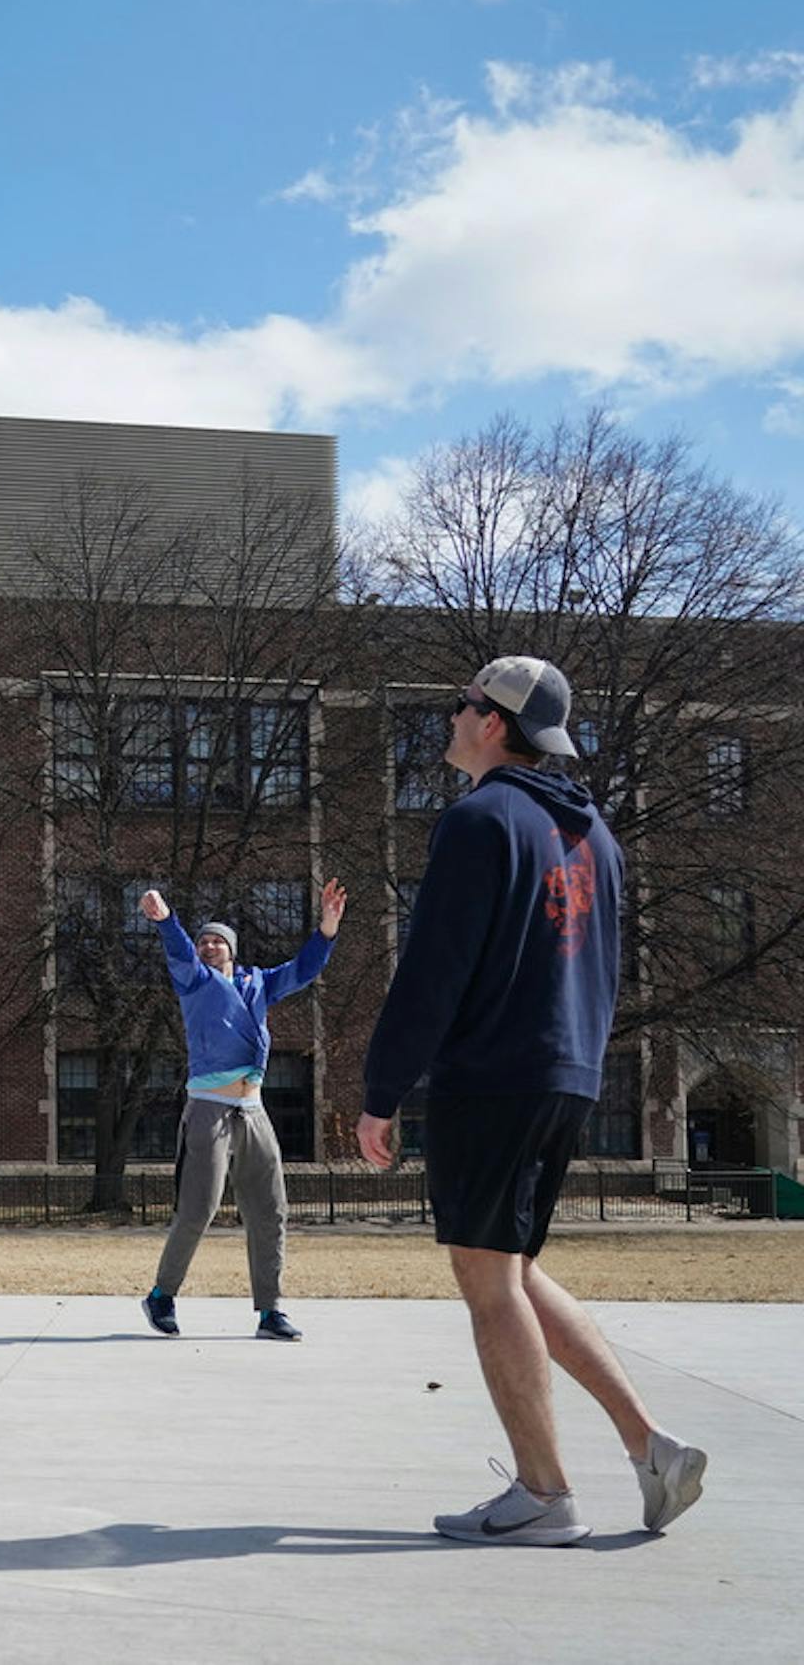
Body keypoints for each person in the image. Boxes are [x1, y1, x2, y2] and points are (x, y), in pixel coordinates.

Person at [359, 656, 706, 1545]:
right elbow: (601, 964)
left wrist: (381, 1093)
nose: (451, 715)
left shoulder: (478, 821)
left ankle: (545, 1497)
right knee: (511, 1267)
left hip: (494, 1076)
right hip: (567, 1074)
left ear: (495, 724)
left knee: (484, 1276)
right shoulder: (597, 835)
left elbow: (433, 972)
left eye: (464, 704)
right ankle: (651, 1445)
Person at [139, 878, 346, 1341]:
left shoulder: (259, 983)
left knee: (270, 1210)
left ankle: (270, 1311)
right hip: (210, 1109)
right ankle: (161, 1296)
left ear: (232, 949)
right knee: (199, 1209)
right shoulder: (195, 980)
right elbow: (177, 951)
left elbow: (302, 970)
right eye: (203, 940)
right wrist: (165, 920)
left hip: (253, 1111)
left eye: (218, 940)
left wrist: (326, 931)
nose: (209, 945)